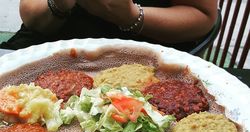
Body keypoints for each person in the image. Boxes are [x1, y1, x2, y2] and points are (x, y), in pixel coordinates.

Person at [0, 0, 218, 52]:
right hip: (50, 43)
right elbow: (30, 14)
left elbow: (202, 16)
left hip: (145, 52)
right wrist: (58, 5)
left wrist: (131, 17)